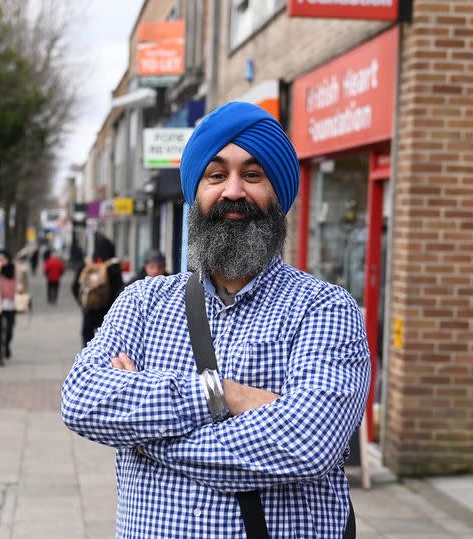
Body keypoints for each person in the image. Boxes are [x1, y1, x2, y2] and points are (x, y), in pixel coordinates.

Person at [61, 102, 370, 538]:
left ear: (278, 194)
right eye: (216, 175)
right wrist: (224, 395)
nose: (233, 192)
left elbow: (308, 443)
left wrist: (147, 438)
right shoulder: (145, 302)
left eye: (253, 175)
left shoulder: (324, 308)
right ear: (195, 193)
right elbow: (82, 399)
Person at [70, 232, 124, 347]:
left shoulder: (87, 266)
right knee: (106, 345)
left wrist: (84, 303)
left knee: (87, 341)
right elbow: (120, 290)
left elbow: (74, 287)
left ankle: (87, 362)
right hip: (108, 315)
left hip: (89, 313)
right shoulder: (113, 267)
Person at [0, 249, 28, 366]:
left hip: (12, 304)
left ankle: (6, 345)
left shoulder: (15, 269)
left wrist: (22, 289)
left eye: (4, 258)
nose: (2, 261)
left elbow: (24, 281)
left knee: (9, 330)